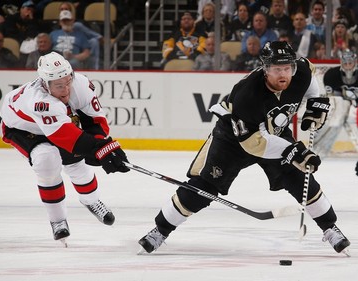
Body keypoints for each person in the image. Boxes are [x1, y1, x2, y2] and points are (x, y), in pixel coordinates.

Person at [138, 41, 351, 256]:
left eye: (287, 68)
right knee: (202, 189)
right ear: (265, 69)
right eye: (277, 69)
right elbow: (254, 144)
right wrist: (292, 151)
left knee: (300, 178)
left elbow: (310, 76)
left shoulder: (301, 71)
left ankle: (330, 228)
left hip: (274, 133)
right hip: (233, 141)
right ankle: (160, 231)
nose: (283, 74)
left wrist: (315, 102)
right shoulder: (247, 95)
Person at [0, 52, 130, 244]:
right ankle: (58, 220)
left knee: (76, 163)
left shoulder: (81, 83)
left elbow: (95, 121)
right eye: (59, 86)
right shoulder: (40, 102)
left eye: (68, 82)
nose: (66, 89)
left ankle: (91, 201)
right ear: (45, 84)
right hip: (23, 128)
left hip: (57, 125)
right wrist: (100, 150)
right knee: (46, 161)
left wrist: (104, 147)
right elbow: (68, 138)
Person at [314, 49, 358, 159]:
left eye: (350, 63)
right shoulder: (331, 75)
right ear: (341, 63)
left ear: (355, 63)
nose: (348, 66)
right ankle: (318, 150)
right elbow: (333, 100)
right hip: (342, 106)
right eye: (345, 63)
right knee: (334, 121)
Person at [59, 1, 103, 70]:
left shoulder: (77, 26)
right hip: (58, 57)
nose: (64, 11)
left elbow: (86, 51)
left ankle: (94, 69)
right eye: (62, 9)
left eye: (66, 9)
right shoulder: (54, 31)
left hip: (77, 51)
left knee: (94, 41)